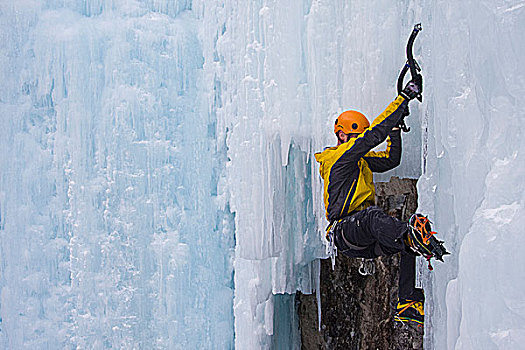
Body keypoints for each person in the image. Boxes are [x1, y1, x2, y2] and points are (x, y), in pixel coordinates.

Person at [314, 77, 431, 325]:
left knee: (407, 241)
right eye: (355, 137)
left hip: (362, 238)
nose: (359, 144)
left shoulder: (359, 162)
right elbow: (373, 136)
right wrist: (403, 99)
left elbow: (391, 160)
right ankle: (410, 238)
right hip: (344, 230)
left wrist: (395, 130)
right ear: (342, 135)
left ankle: (407, 302)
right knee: (383, 221)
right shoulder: (339, 158)